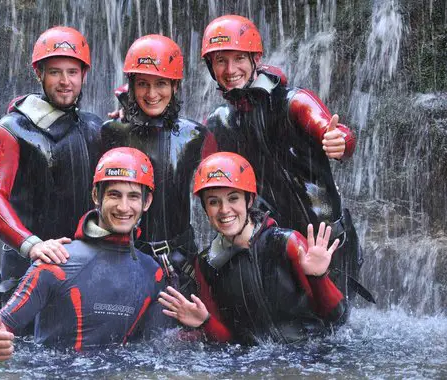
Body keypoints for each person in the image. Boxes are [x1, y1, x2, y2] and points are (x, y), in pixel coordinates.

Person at [200, 15, 364, 299]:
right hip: (272, 250)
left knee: (332, 335)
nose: (230, 69)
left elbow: (334, 131)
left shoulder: (295, 102)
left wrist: (339, 141)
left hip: (329, 246)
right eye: (220, 61)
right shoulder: (219, 123)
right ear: (211, 67)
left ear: (256, 59)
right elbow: (197, 168)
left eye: (239, 58)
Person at [0, 147, 167, 359]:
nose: (124, 207)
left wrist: (200, 323)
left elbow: (155, 346)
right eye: (114, 195)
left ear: (146, 202)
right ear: (96, 195)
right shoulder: (57, 262)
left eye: (133, 196)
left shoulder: (153, 273)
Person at [158, 152, 348, 345]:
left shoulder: (286, 243)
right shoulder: (207, 264)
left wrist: (318, 278)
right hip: (255, 363)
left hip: (308, 355)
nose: (224, 210)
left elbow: (337, 319)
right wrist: (205, 322)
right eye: (214, 202)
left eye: (233, 198)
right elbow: (228, 342)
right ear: (206, 210)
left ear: (249, 200)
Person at [0, 26, 103, 307]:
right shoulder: (10, 130)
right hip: (26, 272)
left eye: (72, 72)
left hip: (84, 271)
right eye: (55, 72)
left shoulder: (95, 127)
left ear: (83, 75)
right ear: (39, 74)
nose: (65, 81)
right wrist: (33, 245)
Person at [101, 34, 215, 293]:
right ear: (131, 85)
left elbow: (225, 187)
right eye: (142, 84)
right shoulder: (113, 131)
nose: (151, 94)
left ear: (175, 86)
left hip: (181, 257)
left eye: (161, 84)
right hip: (125, 254)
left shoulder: (195, 135)